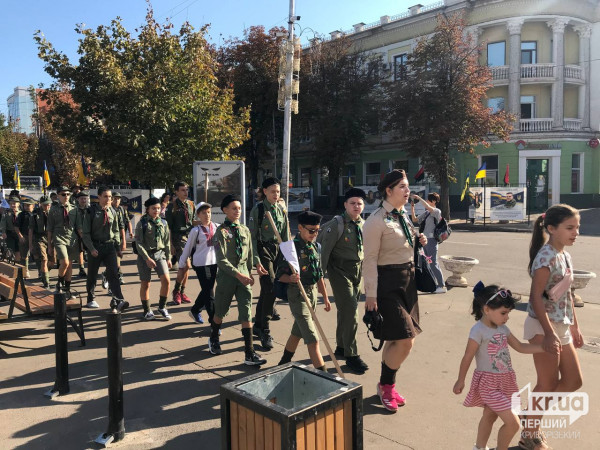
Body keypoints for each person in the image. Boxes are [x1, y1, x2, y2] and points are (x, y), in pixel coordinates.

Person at [362, 169, 427, 412]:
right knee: (406, 340)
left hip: (407, 282)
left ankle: (386, 384)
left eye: (407, 186)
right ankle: (386, 385)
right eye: (402, 186)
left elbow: (404, 243)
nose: (407, 190)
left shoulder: (403, 216)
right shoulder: (375, 221)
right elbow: (369, 259)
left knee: (396, 338)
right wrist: (370, 294)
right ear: (388, 191)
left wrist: (419, 241)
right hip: (387, 284)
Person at [520, 204, 583, 450]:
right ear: (551, 229)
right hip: (541, 326)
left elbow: (566, 295)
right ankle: (529, 434)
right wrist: (548, 334)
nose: (575, 232)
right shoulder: (546, 256)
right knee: (547, 383)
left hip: (561, 325)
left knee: (573, 381)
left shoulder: (564, 254)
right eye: (570, 228)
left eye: (577, 227)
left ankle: (530, 415)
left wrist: (575, 327)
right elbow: (536, 297)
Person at [453, 283, 545, 450]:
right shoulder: (478, 331)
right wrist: (461, 380)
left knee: (489, 416)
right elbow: (467, 357)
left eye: (508, 313)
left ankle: (479, 447)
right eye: (503, 313)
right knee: (513, 423)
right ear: (486, 310)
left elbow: (521, 347)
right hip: (488, 384)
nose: (506, 317)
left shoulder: (503, 329)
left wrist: (543, 347)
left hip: (506, 381)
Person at [208, 194, 266, 366]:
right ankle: (214, 338)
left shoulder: (245, 230)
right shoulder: (221, 232)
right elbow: (222, 260)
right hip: (228, 277)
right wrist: (239, 275)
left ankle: (249, 353)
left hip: (244, 276)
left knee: (246, 312)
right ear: (225, 210)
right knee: (220, 311)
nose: (237, 211)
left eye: (239, 208)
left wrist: (254, 267)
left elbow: (249, 253)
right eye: (234, 208)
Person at [319, 187, 368, 374]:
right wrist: (319, 279)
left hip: (357, 271)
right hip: (339, 271)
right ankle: (352, 355)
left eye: (360, 203)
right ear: (345, 205)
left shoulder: (364, 224)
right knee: (351, 312)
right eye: (353, 203)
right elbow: (324, 252)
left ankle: (341, 346)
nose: (356, 206)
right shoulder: (336, 224)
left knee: (345, 312)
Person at [276, 211, 332, 371]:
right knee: (312, 339)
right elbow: (280, 275)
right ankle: (325, 376)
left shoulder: (316, 246)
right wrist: (290, 278)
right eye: (311, 230)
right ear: (300, 228)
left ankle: (284, 362)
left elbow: (319, 273)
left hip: (312, 294)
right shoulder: (290, 249)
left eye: (317, 230)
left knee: (298, 331)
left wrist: (325, 297)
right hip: (297, 294)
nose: (314, 234)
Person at [249, 177, 289, 350]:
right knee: (271, 287)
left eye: (278, 191)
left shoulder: (281, 209)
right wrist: (256, 261)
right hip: (263, 250)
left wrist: (289, 258)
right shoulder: (258, 210)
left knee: (269, 290)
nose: (276, 194)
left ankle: (257, 325)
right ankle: (264, 329)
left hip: (278, 251)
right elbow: (251, 239)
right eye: (272, 191)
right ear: (264, 192)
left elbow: (286, 235)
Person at [82, 186, 128, 311]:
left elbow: (116, 230)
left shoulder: (112, 211)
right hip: (95, 247)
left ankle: (119, 299)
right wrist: (91, 248)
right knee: (92, 274)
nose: (108, 199)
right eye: (105, 196)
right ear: (99, 197)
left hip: (110, 246)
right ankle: (90, 298)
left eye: (110, 197)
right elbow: (85, 233)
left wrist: (118, 247)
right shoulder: (91, 211)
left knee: (114, 273)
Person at [180, 202, 219, 325]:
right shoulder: (195, 231)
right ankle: (214, 323)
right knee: (209, 294)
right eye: (203, 213)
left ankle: (195, 310)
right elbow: (188, 248)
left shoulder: (217, 227)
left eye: (208, 212)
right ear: (198, 215)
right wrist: (181, 264)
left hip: (214, 263)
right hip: (200, 264)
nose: (207, 215)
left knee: (207, 290)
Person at [135, 197, 172, 320]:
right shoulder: (142, 223)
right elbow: (138, 243)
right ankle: (147, 310)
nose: (156, 210)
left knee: (166, 280)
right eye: (153, 208)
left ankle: (162, 307)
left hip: (159, 254)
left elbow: (166, 241)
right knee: (146, 284)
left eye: (158, 208)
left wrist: (168, 258)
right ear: (148, 209)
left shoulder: (164, 223)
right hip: (145, 256)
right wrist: (146, 258)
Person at [165, 181, 195, 304]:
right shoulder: (172, 207)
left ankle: (182, 292)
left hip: (190, 237)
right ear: (176, 192)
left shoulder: (191, 204)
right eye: (182, 190)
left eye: (186, 190)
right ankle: (176, 291)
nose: (185, 192)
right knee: (185, 265)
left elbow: (192, 222)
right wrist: (170, 244)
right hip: (178, 237)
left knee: (186, 268)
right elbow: (169, 228)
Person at [410, 192, 446, 294]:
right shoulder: (426, 213)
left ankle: (441, 285)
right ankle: (430, 284)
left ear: (434, 201)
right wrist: (412, 208)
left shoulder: (436, 212)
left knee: (433, 263)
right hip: (423, 241)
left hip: (431, 241)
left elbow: (428, 207)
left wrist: (419, 199)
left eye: (428, 200)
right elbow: (415, 219)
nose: (426, 202)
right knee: (425, 263)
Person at [47, 187, 78, 299]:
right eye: (63, 194)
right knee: (64, 262)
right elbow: (49, 228)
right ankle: (59, 282)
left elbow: (78, 227)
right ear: (58, 196)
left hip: (72, 238)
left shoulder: (74, 209)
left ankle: (67, 289)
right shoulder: (53, 209)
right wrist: (49, 246)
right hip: (59, 237)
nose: (66, 196)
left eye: (68, 194)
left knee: (69, 265)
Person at [29, 196, 52, 288]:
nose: (47, 206)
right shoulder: (35, 214)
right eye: (45, 204)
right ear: (41, 204)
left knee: (52, 261)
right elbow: (30, 229)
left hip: (51, 237)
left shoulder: (53, 212)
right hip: (40, 238)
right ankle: (46, 282)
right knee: (44, 259)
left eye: (48, 204)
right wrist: (30, 244)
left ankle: (43, 272)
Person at [112, 192, 132, 285]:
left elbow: (125, 223)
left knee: (116, 259)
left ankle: (117, 276)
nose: (117, 200)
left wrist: (129, 234)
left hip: (118, 237)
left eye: (118, 199)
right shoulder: (108, 209)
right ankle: (113, 276)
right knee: (113, 260)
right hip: (107, 238)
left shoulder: (121, 209)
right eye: (115, 198)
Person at [16, 198, 35, 278]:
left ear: (33, 206)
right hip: (25, 236)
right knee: (24, 255)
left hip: (35, 237)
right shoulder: (21, 215)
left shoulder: (35, 214)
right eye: (25, 205)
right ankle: (25, 271)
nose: (26, 207)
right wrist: (20, 236)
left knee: (38, 255)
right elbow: (16, 227)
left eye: (28, 205)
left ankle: (42, 272)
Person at [73, 190, 90, 278]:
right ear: (78, 199)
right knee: (80, 251)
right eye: (82, 199)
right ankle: (81, 269)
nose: (84, 200)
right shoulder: (75, 210)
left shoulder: (89, 209)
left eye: (85, 198)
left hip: (89, 233)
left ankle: (91, 268)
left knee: (90, 250)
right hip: (77, 233)